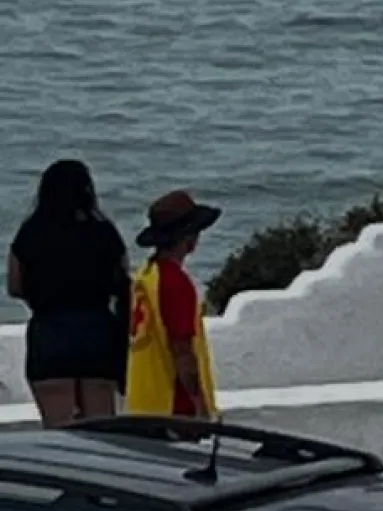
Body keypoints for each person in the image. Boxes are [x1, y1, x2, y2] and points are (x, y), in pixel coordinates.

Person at [5, 159, 129, 428]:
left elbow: (14, 286)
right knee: (103, 430)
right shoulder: (104, 232)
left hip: (50, 334)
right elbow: (122, 279)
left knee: (58, 430)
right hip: (97, 334)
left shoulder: (31, 233)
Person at [125, 190, 221, 419]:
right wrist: (200, 403)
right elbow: (182, 351)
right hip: (174, 406)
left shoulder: (145, 276)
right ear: (188, 238)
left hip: (144, 403)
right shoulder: (176, 283)